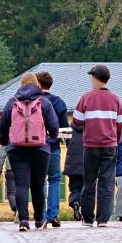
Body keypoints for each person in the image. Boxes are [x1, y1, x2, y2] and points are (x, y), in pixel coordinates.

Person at [0, 73, 61, 232]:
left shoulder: (12, 102)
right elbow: (54, 127)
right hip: (40, 149)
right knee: (38, 186)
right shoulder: (44, 102)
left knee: (21, 185)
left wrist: (5, 141)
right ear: (37, 85)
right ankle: (40, 219)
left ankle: (24, 220)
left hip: (17, 150)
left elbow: (3, 125)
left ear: (21, 85)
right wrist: (51, 137)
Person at [74, 65, 122, 228]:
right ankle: (103, 219)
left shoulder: (86, 97)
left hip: (91, 145)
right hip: (110, 145)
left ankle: (88, 218)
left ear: (95, 78)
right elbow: (119, 125)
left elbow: (77, 121)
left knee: (89, 181)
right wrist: (115, 141)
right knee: (106, 182)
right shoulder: (116, 99)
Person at [36, 71, 69, 228]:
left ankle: (40, 215)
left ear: (37, 84)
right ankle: (53, 214)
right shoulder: (59, 102)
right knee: (55, 179)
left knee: (39, 181)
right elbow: (65, 129)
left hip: (37, 147)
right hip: (54, 146)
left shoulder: (34, 101)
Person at [64, 110, 85, 221]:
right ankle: (86, 212)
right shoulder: (90, 128)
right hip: (87, 164)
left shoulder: (69, 128)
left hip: (72, 164)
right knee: (86, 188)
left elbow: (66, 143)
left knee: (75, 187)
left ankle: (75, 202)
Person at [0, 144, 18, 220]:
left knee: (11, 193)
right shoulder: (24, 138)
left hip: (10, 170)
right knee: (23, 190)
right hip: (24, 171)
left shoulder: (7, 141)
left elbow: (0, 157)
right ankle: (22, 210)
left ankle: (15, 208)